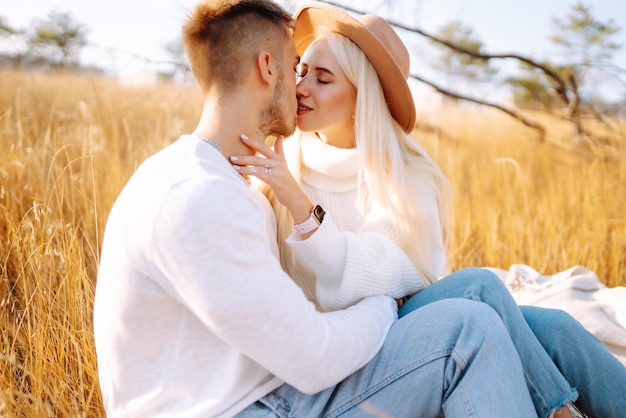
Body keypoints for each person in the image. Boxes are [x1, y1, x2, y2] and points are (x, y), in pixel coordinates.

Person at [93, 1, 539, 417]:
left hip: (254, 395)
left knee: (483, 299)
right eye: (295, 66)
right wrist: (386, 305)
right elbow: (313, 358)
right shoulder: (200, 197)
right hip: (244, 408)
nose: (301, 84)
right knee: (466, 329)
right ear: (268, 68)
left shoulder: (209, 177)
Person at [229, 2, 626, 417]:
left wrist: (305, 210)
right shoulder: (280, 162)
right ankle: (561, 413)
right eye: (302, 71)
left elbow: (384, 278)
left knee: (557, 328)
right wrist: (291, 195)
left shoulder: (406, 172)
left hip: (394, 321)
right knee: (480, 287)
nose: (301, 87)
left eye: (323, 78)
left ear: (361, 98)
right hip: (343, 343)